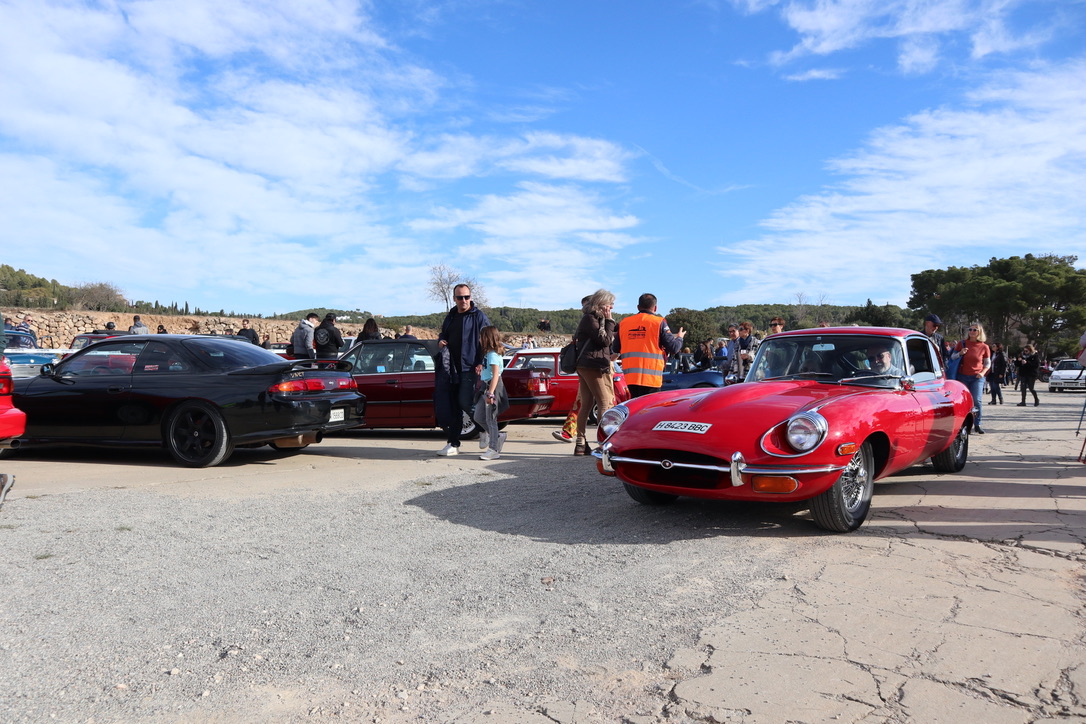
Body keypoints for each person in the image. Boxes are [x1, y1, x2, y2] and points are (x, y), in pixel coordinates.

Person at [435, 284, 492, 456]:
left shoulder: (478, 317)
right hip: (451, 368)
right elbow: (444, 334)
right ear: (454, 299)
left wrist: (482, 361)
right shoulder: (451, 316)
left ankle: (487, 430)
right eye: (460, 297)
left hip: (470, 367)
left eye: (466, 297)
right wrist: (441, 340)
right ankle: (453, 444)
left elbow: (488, 340)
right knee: (453, 406)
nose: (464, 301)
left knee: (464, 402)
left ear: (471, 297)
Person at [615, 293, 685, 398]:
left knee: (635, 409)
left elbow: (615, 348)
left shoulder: (624, 323)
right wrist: (680, 337)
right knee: (649, 411)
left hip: (630, 379)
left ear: (638, 307)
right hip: (651, 379)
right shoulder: (658, 322)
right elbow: (674, 348)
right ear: (655, 308)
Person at [573, 289, 618, 455]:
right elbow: (604, 340)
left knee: (587, 404)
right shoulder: (590, 318)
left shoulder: (593, 318)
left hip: (588, 364)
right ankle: (604, 443)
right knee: (604, 402)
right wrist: (610, 320)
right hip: (591, 364)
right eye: (610, 304)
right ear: (602, 303)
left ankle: (580, 443)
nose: (611, 307)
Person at [473, 326, 509, 460]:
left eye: (481, 337)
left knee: (490, 419)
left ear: (486, 338)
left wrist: (491, 393)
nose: (479, 339)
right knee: (478, 417)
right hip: (485, 386)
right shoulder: (488, 354)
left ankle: (494, 449)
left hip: (491, 387)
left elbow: (495, 375)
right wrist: (482, 368)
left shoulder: (493, 354)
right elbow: (489, 371)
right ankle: (498, 436)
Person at [952, 323, 992, 433]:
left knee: (976, 400)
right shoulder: (962, 343)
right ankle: (964, 424)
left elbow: (987, 363)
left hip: (977, 377)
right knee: (963, 401)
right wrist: (960, 353)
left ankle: (977, 423)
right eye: (970, 329)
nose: (972, 331)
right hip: (962, 376)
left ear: (979, 332)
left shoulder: (984, 347)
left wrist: (983, 373)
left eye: (975, 330)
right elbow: (952, 357)